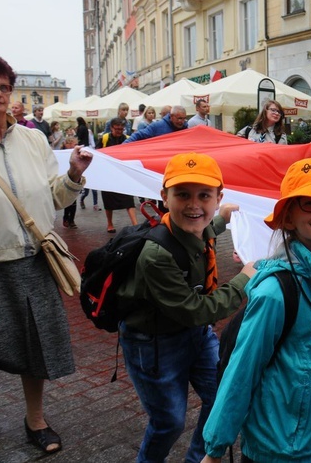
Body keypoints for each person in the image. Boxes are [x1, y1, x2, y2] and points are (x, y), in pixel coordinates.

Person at [201, 157, 311, 463]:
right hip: (278, 450)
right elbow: (243, 370)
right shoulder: (275, 292)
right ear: (289, 218)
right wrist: (215, 449)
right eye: (310, 202)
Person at [0, 53, 92, 454]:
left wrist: (74, 175)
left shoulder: (32, 138)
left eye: (3, 87)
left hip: (35, 262)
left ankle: (35, 419)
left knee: (36, 347)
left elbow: (54, 195)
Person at [118, 152, 253, 463]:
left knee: (220, 398)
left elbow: (199, 230)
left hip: (193, 334)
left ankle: (196, 459)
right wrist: (243, 279)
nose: (194, 205)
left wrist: (221, 219)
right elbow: (197, 310)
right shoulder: (156, 255)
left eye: (204, 195)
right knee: (169, 422)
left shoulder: (194, 225)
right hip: (153, 342)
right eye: (182, 195)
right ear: (164, 197)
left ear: (219, 197)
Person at [97, 117, 137, 232]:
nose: (119, 131)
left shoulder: (128, 139)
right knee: (108, 200)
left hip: (123, 173)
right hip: (108, 173)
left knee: (129, 198)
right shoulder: (105, 138)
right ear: (111, 128)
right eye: (117, 129)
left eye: (121, 129)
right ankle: (110, 224)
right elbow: (97, 152)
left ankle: (135, 224)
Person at [76, 117, 100, 211]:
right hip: (87, 173)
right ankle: (82, 200)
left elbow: (80, 138)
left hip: (91, 172)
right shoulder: (85, 129)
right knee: (86, 192)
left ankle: (95, 204)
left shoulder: (81, 129)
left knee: (94, 190)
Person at [61, 135, 80, 229]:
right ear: (68, 144)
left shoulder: (77, 153)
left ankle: (71, 220)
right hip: (66, 178)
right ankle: (66, 218)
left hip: (75, 178)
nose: (76, 146)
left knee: (74, 200)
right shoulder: (62, 153)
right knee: (68, 200)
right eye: (74, 144)